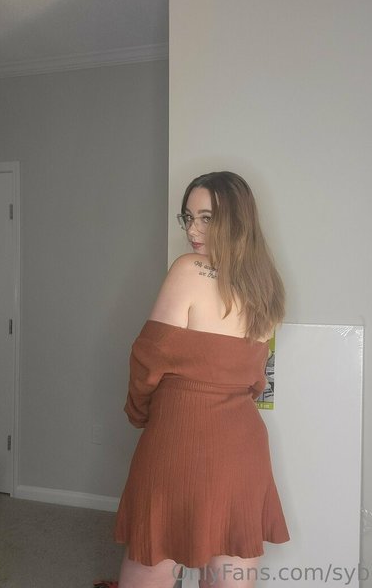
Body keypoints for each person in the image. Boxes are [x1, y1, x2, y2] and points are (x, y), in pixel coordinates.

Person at [113, 171, 290, 588]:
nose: (193, 230)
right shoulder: (267, 289)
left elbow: (147, 359)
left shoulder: (188, 269)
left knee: (153, 559)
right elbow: (256, 380)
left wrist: (140, 414)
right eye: (188, 217)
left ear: (235, 220)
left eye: (206, 218)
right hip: (242, 449)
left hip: (179, 437)